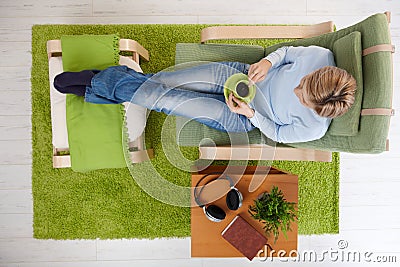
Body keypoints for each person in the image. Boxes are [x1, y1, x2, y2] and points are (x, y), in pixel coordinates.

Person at [54, 45, 357, 143]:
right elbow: (288, 52)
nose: (296, 90)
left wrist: (249, 113)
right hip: (239, 75)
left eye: (301, 98)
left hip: (242, 118)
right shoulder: (321, 56)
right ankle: (99, 87)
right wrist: (268, 62)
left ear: (316, 110)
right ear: (318, 73)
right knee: (166, 81)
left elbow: (277, 132)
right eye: (302, 83)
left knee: (167, 100)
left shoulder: (314, 128)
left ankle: (98, 84)